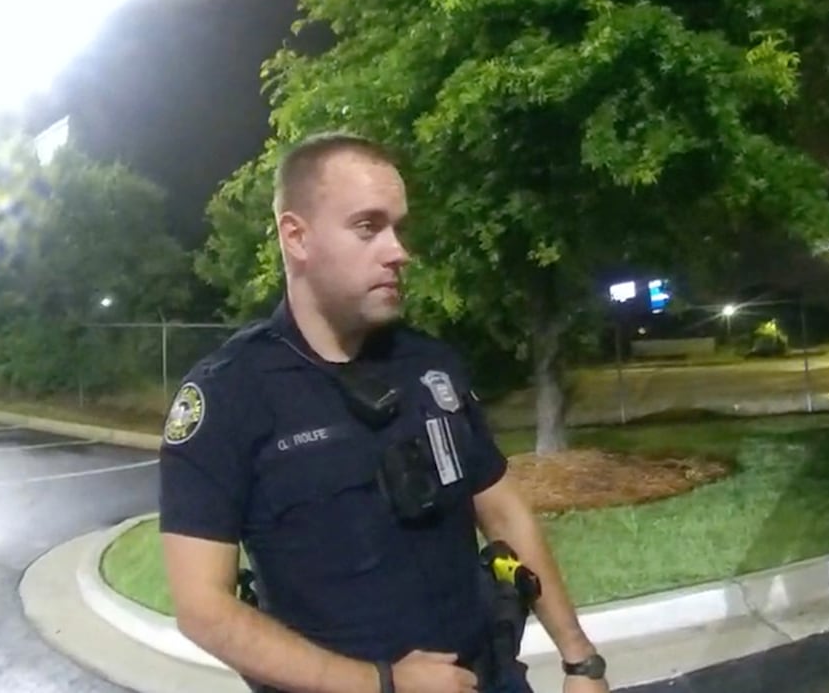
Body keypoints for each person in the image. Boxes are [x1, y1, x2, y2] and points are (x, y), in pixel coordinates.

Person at [158, 133, 611, 693]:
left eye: (399, 227)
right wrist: (383, 683)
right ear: (296, 237)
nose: (398, 251)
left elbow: (503, 513)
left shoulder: (431, 365)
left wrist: (579, 660)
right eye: (369, 228)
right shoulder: (228, 396)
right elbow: (203, 609)